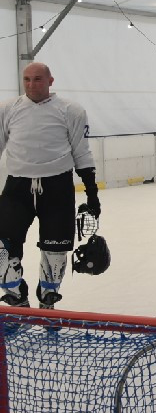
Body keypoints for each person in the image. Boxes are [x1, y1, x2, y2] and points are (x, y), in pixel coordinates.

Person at [0, 62, 101, 309]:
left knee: (54, 257)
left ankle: (48, 302)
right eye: (27, 79)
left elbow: (82, 153)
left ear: (50, 80)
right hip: (16, 189)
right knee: (2, 251)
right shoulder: (8, 108)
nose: (31, 84)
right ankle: (16, 298)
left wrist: (92, 193)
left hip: (58, 189)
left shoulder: (71, 110)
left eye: (37, 79)